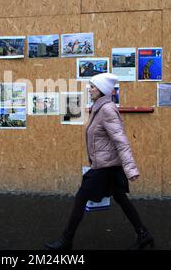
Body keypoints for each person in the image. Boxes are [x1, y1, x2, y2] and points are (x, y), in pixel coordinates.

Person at [45, 73, 154, 250]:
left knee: (81, 197)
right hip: (106, 164)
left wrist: (131, 169)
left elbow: (121, 140)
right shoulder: (99, 108)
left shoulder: (107, 110)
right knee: (121, 198)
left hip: (106, 167)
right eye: (90, 85)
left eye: (93, 86)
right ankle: (144, 235)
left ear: (102, 90)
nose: (90, 89)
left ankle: (66, 240)